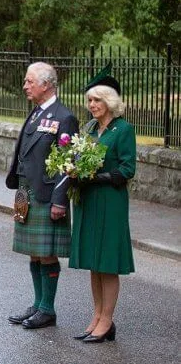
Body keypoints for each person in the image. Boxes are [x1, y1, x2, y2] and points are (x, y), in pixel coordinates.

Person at [5, 62, 79, 329]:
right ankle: (37, 305)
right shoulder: (36, 113)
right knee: (33, 253)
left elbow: (68, 162)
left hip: (48, 195)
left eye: (29, 81)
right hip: (27, 192)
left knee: (46, 253)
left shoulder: (65, 117)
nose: (25, 86)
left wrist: (60, 200)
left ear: (46, 85)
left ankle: (47, 309)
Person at [69, 74, 135, 343]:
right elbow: (76, 156)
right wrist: (72, 168)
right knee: (94, 263)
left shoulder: (123, 130)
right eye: (89, 100)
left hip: (110, 200)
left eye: (96, 99)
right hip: (88, 200)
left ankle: (107, 320)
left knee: (107, 263)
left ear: (109, 101)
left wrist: (96, 176)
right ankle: (96, 316)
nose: (91, 104)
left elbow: (127, 169)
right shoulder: (89, 129)